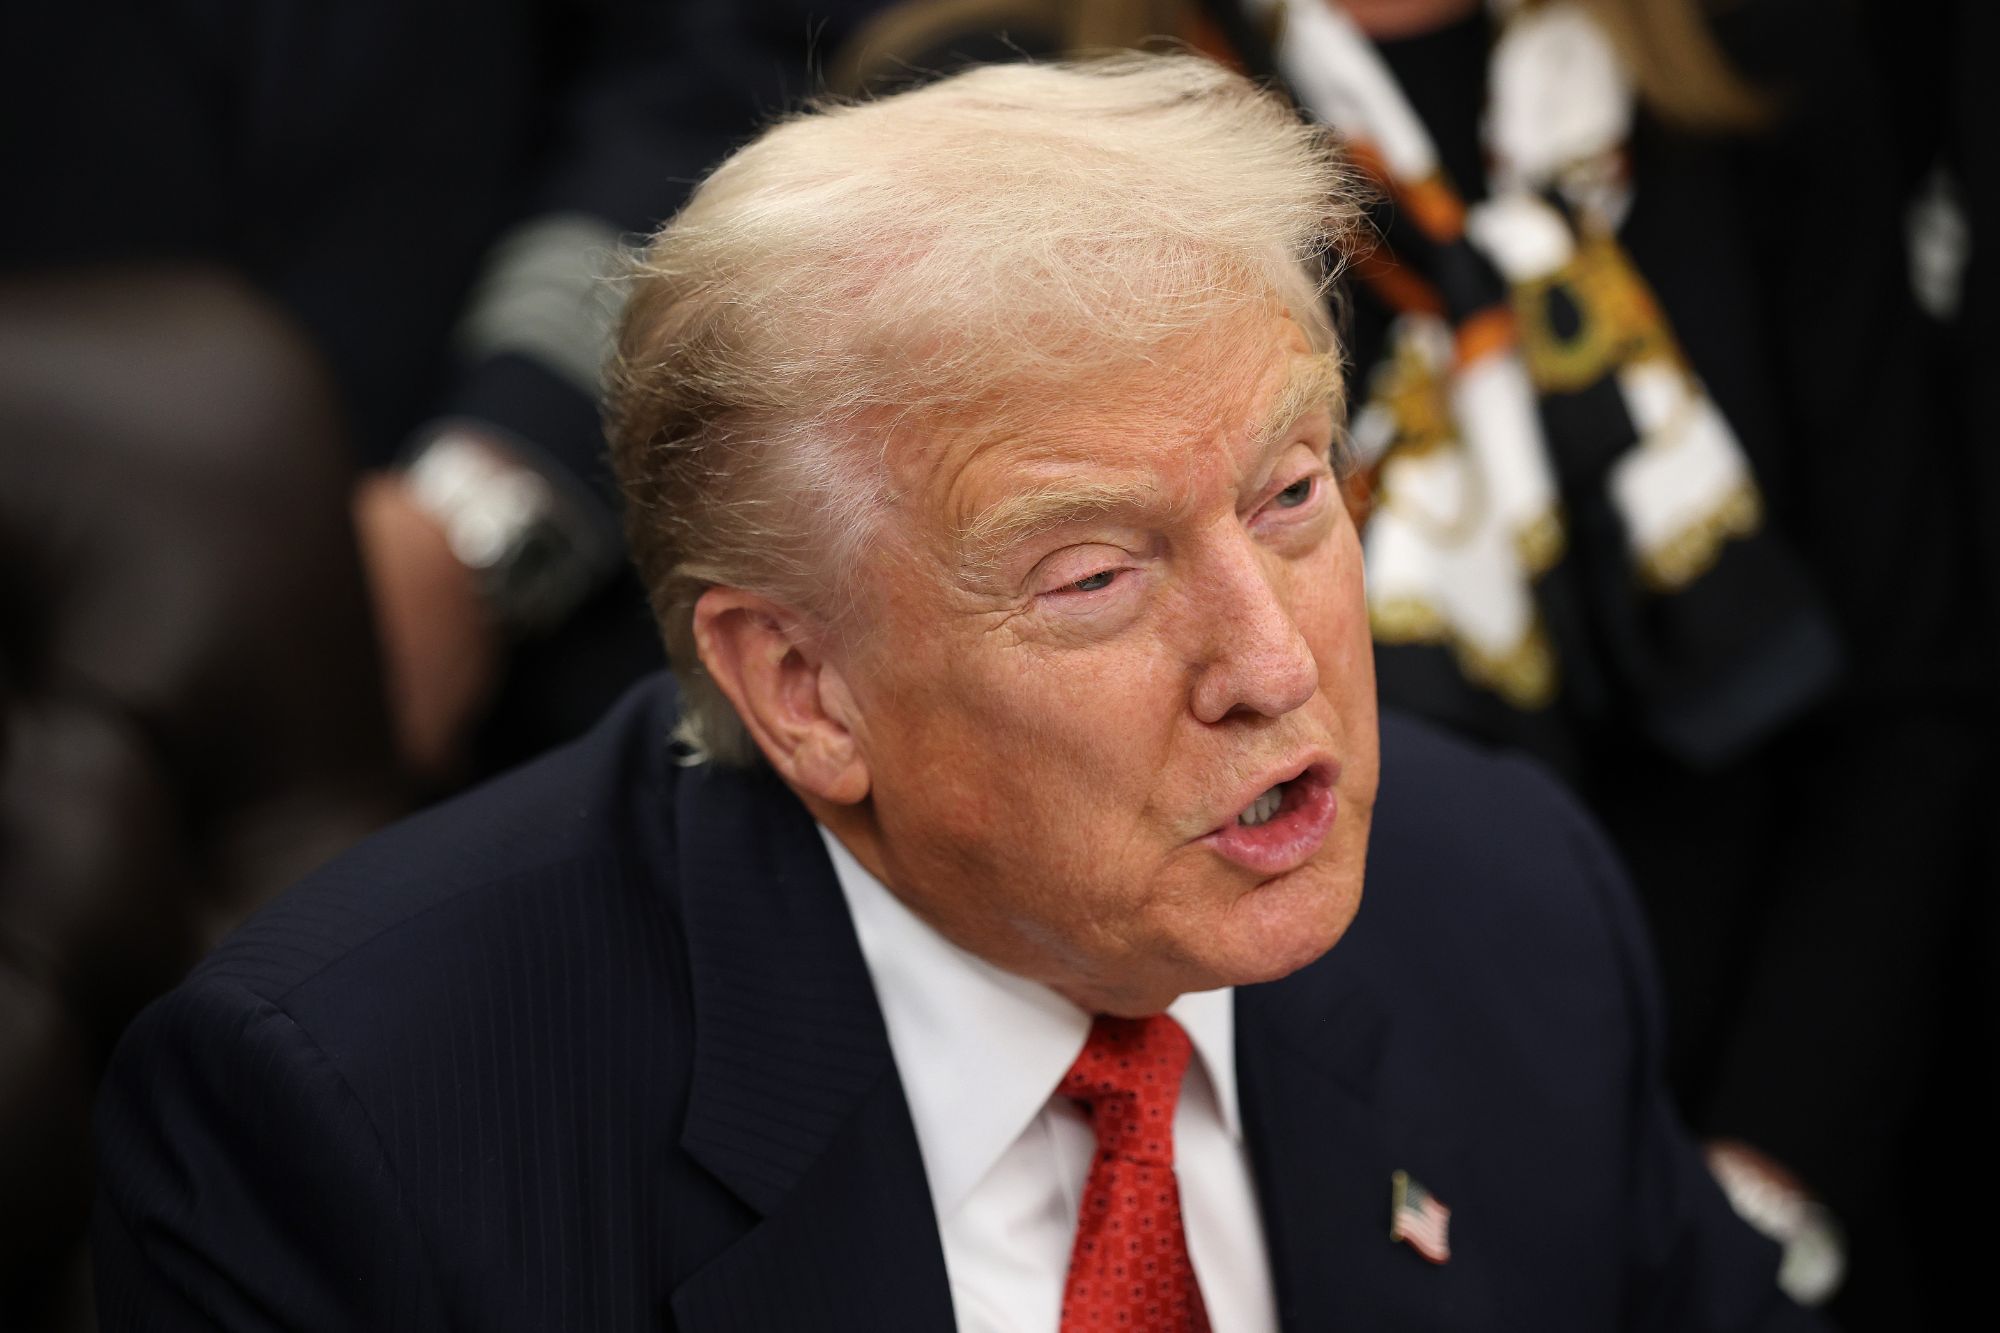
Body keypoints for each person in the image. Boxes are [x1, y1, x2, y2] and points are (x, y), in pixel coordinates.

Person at [92, 55, 1823, 1331]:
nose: (1275, 660)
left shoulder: (1508, 911)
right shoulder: (361, 1126)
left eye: (1292, 496)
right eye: (1095, 575)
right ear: (802, 687)